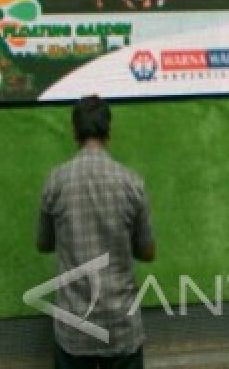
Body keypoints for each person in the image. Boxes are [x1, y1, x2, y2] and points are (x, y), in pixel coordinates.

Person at [37, 96, 156, 369]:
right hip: (121, 326)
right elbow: (148, 252)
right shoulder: (131, 182)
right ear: (109, 131)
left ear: (75, 132)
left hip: (74, 329)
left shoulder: (56, 181)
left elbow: (44, 243)